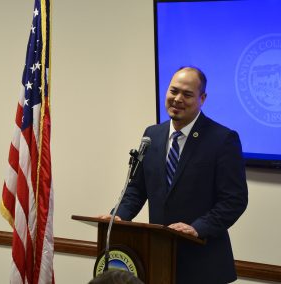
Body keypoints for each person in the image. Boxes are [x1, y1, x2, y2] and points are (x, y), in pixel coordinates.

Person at [100, 66, 248, 283]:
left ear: (202, 98)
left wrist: (197, 228)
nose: (177, 99)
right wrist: (119, 217)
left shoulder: (222, 139)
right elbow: (136, 189)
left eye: (187, 94)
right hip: (158, 260)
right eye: (173, 91)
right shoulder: (152, 135)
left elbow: (234, 200)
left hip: (203, 264)